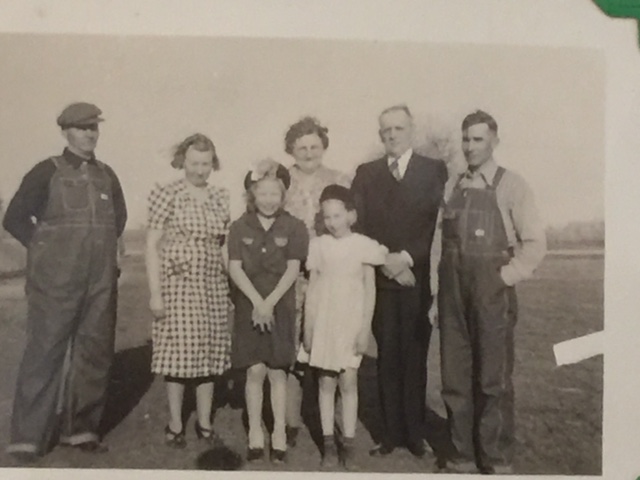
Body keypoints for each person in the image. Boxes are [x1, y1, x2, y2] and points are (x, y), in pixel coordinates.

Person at [3, 102, 127, 463]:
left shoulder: (107, 175)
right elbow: (14, 217)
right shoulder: (47, 171)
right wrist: (45, 249)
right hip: (55, 281)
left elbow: (118, 220)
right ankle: (28, 438)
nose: (89, 134)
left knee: (95, 352)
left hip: (100, 280)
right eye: (82, 128)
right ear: (65, 132)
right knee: (45, 352)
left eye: (93, 128)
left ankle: (81, 430)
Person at [437, 110, 546, 475]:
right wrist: (437, 294)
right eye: (466, 139)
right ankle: (461, 455)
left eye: (478, 139)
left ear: (494, 141)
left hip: (491, 294)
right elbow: (440, 243)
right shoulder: (452, 185)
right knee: (454, 376)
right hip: (452, 292)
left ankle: (495, 457)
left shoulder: (511, 185)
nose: (470, 147)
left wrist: (505, 276)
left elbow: (535, 243)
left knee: (493, 378)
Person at [351, 104, 447, 458]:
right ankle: (389, 434)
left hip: (415, 281)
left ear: (411, 130)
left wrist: (406, 259)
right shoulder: (366, 173)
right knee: (388, 356)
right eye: (386, 130)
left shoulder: (434, 170)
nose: (392, 135)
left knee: (415, 356)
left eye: (398, 128)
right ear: (381, 134)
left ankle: (415, 434)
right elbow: (360, 226)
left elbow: (433, 225)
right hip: (381, 279)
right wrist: (386, 262)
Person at [145, 133, 231, 448]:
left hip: (212, 286)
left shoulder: (220, 196)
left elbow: (223, 245)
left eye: (205, 164)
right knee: (178, 356)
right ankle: (175, 424)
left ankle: (205, 424)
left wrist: (231, 283)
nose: (199, 170)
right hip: (178, 284)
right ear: (183, 161)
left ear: (213, 164)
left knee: (209, 354)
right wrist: (155, 293)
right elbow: (151, 246)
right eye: (194, 163)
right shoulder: (167, 193)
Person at [228, 159, 309, 464]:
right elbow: (235, 268)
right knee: (254, 370)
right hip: (249, 306)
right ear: (252, 194)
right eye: (262, 193)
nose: (269, 200)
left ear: (283, 195)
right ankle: (254, 435)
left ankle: (278, 434)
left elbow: (293, 269)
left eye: (274, 193)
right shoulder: (239, 227)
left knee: (277, 371)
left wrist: (269, 303)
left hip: (280, 306)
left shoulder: (294, 226)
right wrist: (256, 302)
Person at [303, 184, 387, 470]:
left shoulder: (364, 245)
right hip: (324, 322)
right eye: (327, 217)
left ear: (351, 215)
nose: (332, 222)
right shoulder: (318, 246)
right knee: (325, 382)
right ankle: (329, 445)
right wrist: (308, 329)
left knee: (348, 382)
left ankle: (348, 444)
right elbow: (313, 290)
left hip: (350, 322)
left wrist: (364, 330)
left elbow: (370, 291)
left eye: (337, 216)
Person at [282, 116, 351, 447]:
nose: (308, 153)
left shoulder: (339, 180)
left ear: (323, 146)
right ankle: (290, 420)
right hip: (291, 274)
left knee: (329, 341)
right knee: (292, 344)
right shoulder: (282, 180)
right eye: (302, 147)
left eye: (314, 146)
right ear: (291, 149)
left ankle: (328, 416)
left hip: (329, 273)